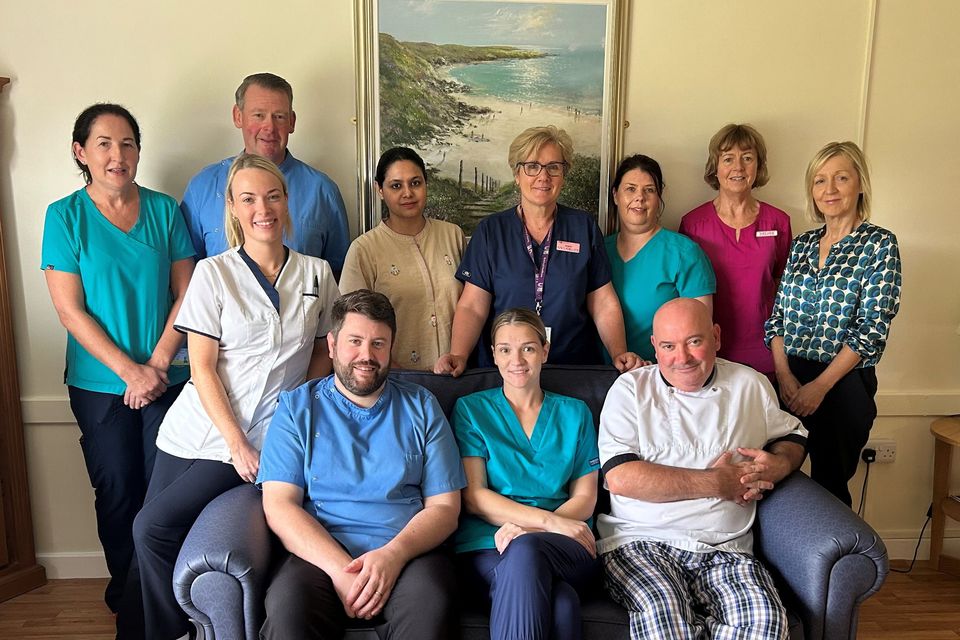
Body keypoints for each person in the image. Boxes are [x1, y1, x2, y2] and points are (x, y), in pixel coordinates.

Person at [130, 154, 339, 640]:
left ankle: (170, 633)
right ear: (232, 206)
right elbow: (202, 366)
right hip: (195, 430)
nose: (262, 209)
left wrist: (295, 410)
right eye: (248, 199)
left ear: (286, 201)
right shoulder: (213, 273)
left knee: (150, 528)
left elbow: (322, 351)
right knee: (152, 537)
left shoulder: (316, 274)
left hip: (262, 432)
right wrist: (236, 443)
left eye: (272, 196)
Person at [40, 103, 195, 613]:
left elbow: (187, 294)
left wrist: (157, 365)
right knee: (117, 491)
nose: (118, 155)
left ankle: (166, 600)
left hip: (167, 378)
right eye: (104, 143)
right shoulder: (64, 216)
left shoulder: (164, 210)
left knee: (163, 493)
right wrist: (130, 371)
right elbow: (70, 310)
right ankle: (130, 601)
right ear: (80, 152)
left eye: (128, 143)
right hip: (98, 385)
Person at [257, 290, 466, 639]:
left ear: (391, 347)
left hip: (407, 552)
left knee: (431, 606)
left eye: (378, 344)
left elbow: (445, 508)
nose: (366, 355)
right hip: (320, 553)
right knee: (288, 610)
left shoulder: (422, 406)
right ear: (332, 344)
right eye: (355, 341)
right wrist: (340, 570)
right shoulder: (296, 409)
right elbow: (279, 506)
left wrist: (393, 556)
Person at [598, 298, 808, 639]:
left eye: (694, 341)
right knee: (666, 623)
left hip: (727, 547)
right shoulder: (630, 390)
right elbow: (621, 478)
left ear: (716, 337)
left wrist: (779, 464)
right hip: (641, 541)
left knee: (765, 624)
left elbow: (791, 436)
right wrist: (717, 483)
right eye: (669, 346)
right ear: (654, 346)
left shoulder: (750, 384)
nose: (682, 358)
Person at [435, 125, 638, 376]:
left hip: (571, 369)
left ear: (564, 174)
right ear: (517, 174)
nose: (543, 176)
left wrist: (618, 352)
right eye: (532, 166)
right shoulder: (491, 231)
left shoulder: (583, 227)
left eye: (553, 167)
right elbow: (473, 306)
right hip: (507, 372)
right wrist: (459, 354)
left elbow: (603, 302)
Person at [765, 141, 901, 506]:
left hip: (843, 382)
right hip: (790, 379)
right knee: (775, 484)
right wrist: (784, 375)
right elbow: (777, 317)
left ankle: (833, 546)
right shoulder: (802, 244)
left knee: (830, 489)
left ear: (860, 184)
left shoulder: (879, 245)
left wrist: (820, 387)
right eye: (820, 180)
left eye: (841, 178)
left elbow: (871, 329)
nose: (830, 189)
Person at [453, 308, 601, 640]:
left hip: (565, 543)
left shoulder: (575, 413)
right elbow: (474, 497)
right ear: (493, 355)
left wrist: (532, 531)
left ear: (545, 351)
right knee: (562, 604)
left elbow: (585, 498)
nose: (516, 360)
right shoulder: (472, 410)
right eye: (505, 349)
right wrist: (547, 522)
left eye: (528, 348)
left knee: (525, 548)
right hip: (489, 545)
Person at [180, 72, 349, 276]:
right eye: (259, 115)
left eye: (279, 117)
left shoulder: (323, 191)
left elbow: (338, 276)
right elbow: (186, 276)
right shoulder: (202, 188)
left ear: (292, 122)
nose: (269, 127)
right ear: (238, 116)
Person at [680, 124, 792, 379]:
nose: (738, 167)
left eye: (747, 158)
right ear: (715, 167)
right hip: (708, 353)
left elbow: (783, 288)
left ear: (758, 166)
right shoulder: (692, 225)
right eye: (728, 159)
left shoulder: (779, 222)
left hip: (766, 352)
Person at [340, 147, 464, 370]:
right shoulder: (364, 249)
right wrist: (398, 376)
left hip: (457, 372)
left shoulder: (452, 235)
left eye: (415, 183)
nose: (408, 193)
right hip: (396, 378)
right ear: (380, 190)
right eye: (396, 186)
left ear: (426, 184)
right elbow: (352, 326)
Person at [605, 154, 715, 362]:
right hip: (602, 373)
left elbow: (700, 330)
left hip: (663, 374)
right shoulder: (599, 250)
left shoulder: (684, 253)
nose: (640, 197)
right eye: (630, 189)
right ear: (615, 195)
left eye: (649, 190)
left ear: (659, 197)